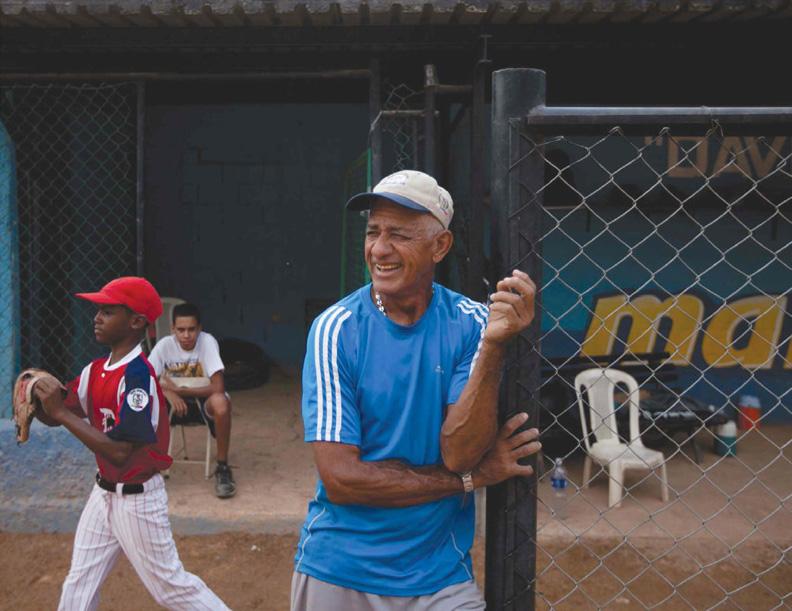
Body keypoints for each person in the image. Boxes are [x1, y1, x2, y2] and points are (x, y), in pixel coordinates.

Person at [292, 170, 542, 610]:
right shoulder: (336, 329)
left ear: (439, 246)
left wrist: (494, 346)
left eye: (399, 235)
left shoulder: (472, 325)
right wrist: (473, 480)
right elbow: (341, 479)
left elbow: (460, 452)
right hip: (341, 568)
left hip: (438, 573)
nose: (379, 249)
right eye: (373, 232)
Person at [33, 276, 232, 611]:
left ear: (137, 322)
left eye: (108, 312)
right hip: (103, 494)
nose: (96, 317)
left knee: (171, 587)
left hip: (137, 498)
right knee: (79, 581)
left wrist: (59, 413)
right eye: (98, 310)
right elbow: (59, 412)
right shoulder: (95, 370)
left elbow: (120, 452)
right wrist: (38, 404)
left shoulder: (139, 376)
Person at [148, 303, 235, 498]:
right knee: (143, 400)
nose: (186, 335)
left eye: (191, 329)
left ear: (199, 329)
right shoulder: (164, 346)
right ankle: (148, 467)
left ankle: (222, 468)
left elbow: (218, 388)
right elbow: (146, 379)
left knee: (221, 402)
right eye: (181, 330)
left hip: (203, 405)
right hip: (172, 408)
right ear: (173, 330)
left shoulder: (207, 342)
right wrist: (168, 393)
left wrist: (179, 390)